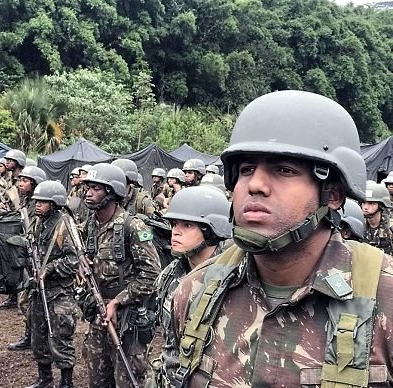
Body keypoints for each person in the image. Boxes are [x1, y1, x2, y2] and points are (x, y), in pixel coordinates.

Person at [165, 90, 393, 387]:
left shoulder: (384, 297)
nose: (255, 184)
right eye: (246, 170)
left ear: (333, 194)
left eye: (284, 169)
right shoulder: (194, 292)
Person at [80, 163, 160, 388]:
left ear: (112, 192)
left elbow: (151, 275)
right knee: (97, 377)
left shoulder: (132, 226)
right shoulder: (90, 226)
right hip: (98, 312)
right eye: (88, 187)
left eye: (96, 188)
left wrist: (118, 301)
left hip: (127, 319)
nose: (88, 192)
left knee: (128, 379)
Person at [148, 186, 231, 387]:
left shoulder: (233, 277)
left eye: (186, 225)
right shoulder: (170, 275)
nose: (175, 232)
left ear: (211, 230)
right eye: (174, 224)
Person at [26, 181, 79, 388]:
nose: (38, 205)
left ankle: (66, 382)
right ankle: (44, 379)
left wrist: (50, 268)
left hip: (60, 293)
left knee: (60, 339)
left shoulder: (64, 225)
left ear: (55, 203)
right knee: (38, 338)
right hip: (40, 291)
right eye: (37, 201)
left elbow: (74, 260)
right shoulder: (39, 223)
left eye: (43, 202)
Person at [5, 166, 47, 349]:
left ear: (35, 183)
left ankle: (37, 337)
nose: (20, 184)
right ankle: (31, 336)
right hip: (29, 257)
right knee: (26, 300)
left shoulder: (37, 205)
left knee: (30, 300)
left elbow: (33, 230)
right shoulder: (26, 202)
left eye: (25, 180)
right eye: (19, 180)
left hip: (40, 259)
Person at [362, 181, 393, 254]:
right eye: (363, 203)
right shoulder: (358, 226)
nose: (365, 207)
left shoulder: (390, 229)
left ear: (381, 206)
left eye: (371, 203)